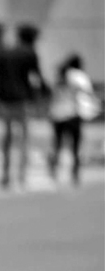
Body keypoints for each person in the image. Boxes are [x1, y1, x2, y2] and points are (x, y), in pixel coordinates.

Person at [0, 24, 48, 189]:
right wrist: (45, 93)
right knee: (23, 137)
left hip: (5, 100)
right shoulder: (30, 54)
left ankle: (5, 175)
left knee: (7, 137)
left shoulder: (3, 52)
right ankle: (21, 176)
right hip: (22, 100)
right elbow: (37, 77)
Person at [47, 53, 100, 187]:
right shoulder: (77, 77)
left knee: (57, 143)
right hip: (72, 114)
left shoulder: (58, 78)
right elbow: (87, 93)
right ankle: (75, 173)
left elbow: (51, 96)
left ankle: (54, 169)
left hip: (57, 115)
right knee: (75, 145)